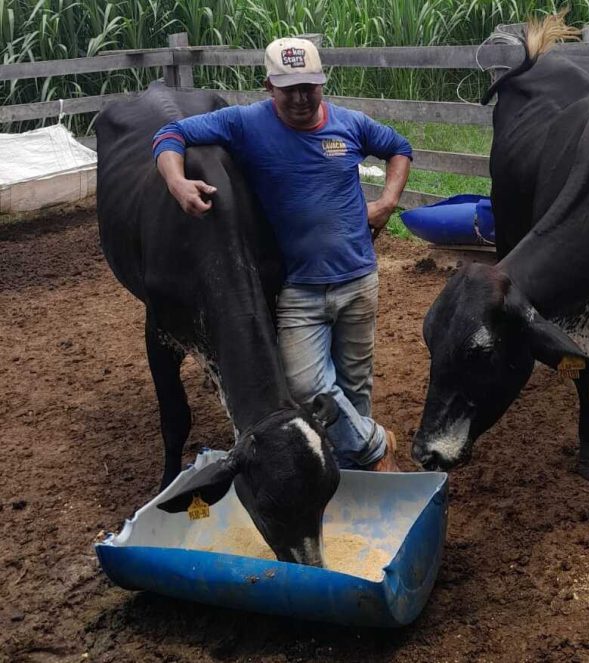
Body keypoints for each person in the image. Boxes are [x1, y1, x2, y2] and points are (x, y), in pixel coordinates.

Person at [152, 37, 412, 472]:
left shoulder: (349, 124)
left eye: (309, 86)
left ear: (322, 83)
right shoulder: (244, 123)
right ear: (268, 85)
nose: (300, 97)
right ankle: (373, 445)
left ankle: (354, 473)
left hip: (360, 279)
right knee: (307, 384)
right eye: (289, 87)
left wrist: (386, 203)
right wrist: (178, 183)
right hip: (300, 288)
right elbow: (170, 133)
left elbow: (399, 148)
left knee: (355, 384)